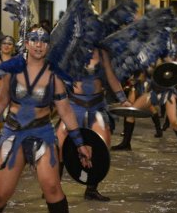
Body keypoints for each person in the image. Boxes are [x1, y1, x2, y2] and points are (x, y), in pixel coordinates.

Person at [0, 27, 92, 213]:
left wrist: (79, 142)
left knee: (51, 186)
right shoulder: (13, 70)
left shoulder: (54, 75)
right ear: (26, 44)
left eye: (44, 41)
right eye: (34, 40)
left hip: (42, 134)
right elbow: (0, 100)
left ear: (48, 46)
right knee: (0, 193)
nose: (39, 45)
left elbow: (65, 110)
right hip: (13, 133)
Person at [56, 45, 131, 201]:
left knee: (102, 145)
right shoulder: (70, 50)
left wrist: (123, 99)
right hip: (74, 106)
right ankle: (54, 186)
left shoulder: (102, 53)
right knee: (60, 145)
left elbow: (111, 77)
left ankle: (91, 189)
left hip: (96, 106)